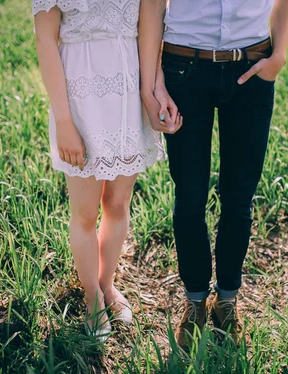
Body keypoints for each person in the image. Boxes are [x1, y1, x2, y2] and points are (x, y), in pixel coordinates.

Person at [139, 0, 288, 347]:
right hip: (184, 69)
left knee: (240, 195)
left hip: (252, 70)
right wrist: (148, 86)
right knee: (190, 193)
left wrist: (279, 54)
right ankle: (195, 299)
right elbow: (151, 5)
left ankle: (227, 300)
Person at [32, 0, 180, 341]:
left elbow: (150, 28)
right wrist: (65, 122)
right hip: (81, 99)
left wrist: (153, 89)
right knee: (84, 213)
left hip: (129, 91)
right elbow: (45, 40)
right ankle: (91, 298)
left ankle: (107, 284)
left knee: (117, 204)